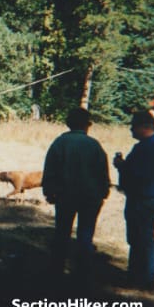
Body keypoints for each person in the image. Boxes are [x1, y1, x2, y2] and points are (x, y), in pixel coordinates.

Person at [42, 107, 110, 284]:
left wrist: (49, 191)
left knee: (62, 232)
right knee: (86, 234)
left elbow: (50, 169)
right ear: (88, 125)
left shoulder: (60, 143)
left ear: (68, 124)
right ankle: (82, 273)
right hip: (91, 197)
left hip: (66, 196)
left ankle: (56, 270)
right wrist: (104, 191)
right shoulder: (94, 145)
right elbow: (103, 172)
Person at [114, 110, 154, 290]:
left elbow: (136, 175)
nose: (131, 130)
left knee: (139, 238)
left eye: (133, 127)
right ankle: (143, 276)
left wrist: (121, 166)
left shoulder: (144, 148)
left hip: (142, 199)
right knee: (146, 238)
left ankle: (139, 277)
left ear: (143, 127)